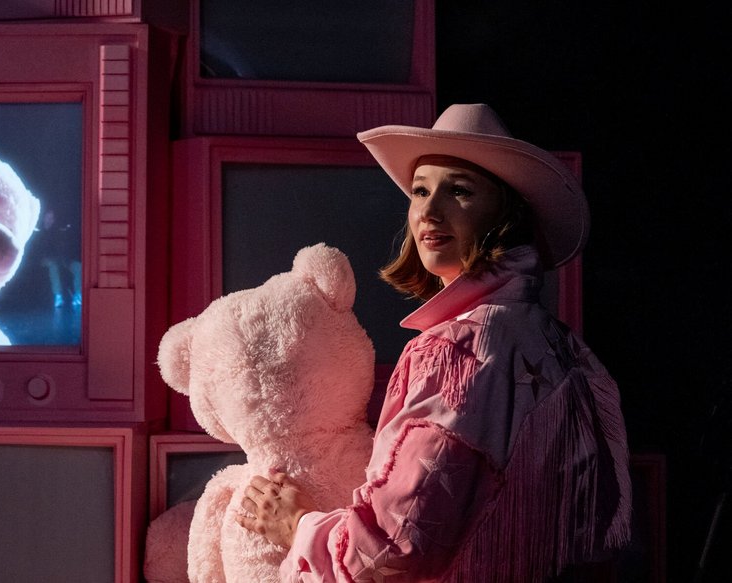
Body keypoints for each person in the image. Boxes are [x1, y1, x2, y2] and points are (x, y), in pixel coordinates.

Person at [236, 104, 632, 582]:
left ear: (508, 215)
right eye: (420, 190)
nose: (428, 210)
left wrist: (296, 524)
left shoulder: (457, 351)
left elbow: (393, 548)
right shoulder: (566, 349)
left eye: (459, 190)